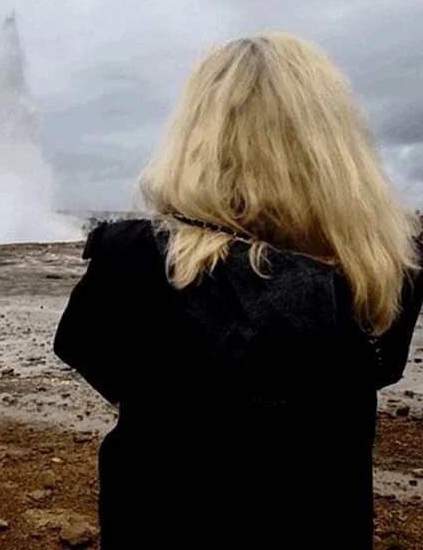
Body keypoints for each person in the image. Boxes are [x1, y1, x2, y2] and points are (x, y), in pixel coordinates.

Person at [53, 33, 423, 550]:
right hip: (322, 520)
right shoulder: (386, 265)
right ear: (335, 138)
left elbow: (85, 350)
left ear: (197, 134)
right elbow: (381, 368)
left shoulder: (133, 260)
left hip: (160, 519)